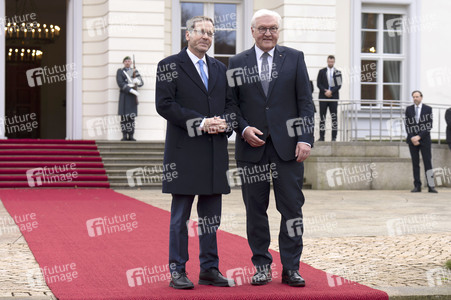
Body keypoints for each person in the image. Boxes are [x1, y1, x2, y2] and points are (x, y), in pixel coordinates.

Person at [228, 9, 314, 287]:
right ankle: (261, 265)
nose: (268, 33)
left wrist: (305, 138)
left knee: (292, 210)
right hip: (251, 148)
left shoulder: (295, 58)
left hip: (289, 148)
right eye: (262, 28)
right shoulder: (236, 61)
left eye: (273, 28)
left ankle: (291, 268)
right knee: (255, 210)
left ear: (279, 31)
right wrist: (242, 128)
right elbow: (230, 105)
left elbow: (306, 102)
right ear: (252, 31)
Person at [155, 16, 235, 289]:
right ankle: (177, 269)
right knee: (180, 217)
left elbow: (229, 105)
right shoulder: (169, 65)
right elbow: (164, 105)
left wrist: (226, 122)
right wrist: (201, 122)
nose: (206, 37)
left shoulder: (219, 68)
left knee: (211, 218)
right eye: (201, 32)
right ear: (187, 35)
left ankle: (210, 269)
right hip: (184, 153)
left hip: (215, 152)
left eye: (210, 33)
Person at [405, 90, 438, 193]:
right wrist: (412, 137)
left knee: (428, 163)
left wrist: (419, 136)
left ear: (421, 97)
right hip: (412, 141)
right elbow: (407, 125)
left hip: (424, 140)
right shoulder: (409, 109)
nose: (415, 98)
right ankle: (417, 186)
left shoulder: (428, 109)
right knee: (415, 163)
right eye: (413, 97)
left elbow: (429, 125)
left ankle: (431, 186)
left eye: (417, 96)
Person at [116, 56, 143, 141]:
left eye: (129, 61)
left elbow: (141, 83)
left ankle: (131, 135)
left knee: (132, 117)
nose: (127, 62)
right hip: (124, 96)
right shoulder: (120, 71)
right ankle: (124, 135)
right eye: (126, 61)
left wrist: (137, 81)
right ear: (124, 63)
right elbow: (120, 83)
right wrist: (130, 89)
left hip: (132, 98)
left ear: (131, 62)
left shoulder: (135, 71)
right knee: (124, 117)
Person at [316, 55, 341, 141]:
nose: (330, 63)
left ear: (334, 62)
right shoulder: (322, 72)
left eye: (332, 62)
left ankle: (334, 137)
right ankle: (321, 137)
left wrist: (331, 91)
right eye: (329, 61)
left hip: (333, 97)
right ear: (327, 61)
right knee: (322, 117)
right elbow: (319, 84)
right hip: (323, 97)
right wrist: (325, 91)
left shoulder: (338, 72)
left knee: (334, 117)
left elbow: (339, 85)